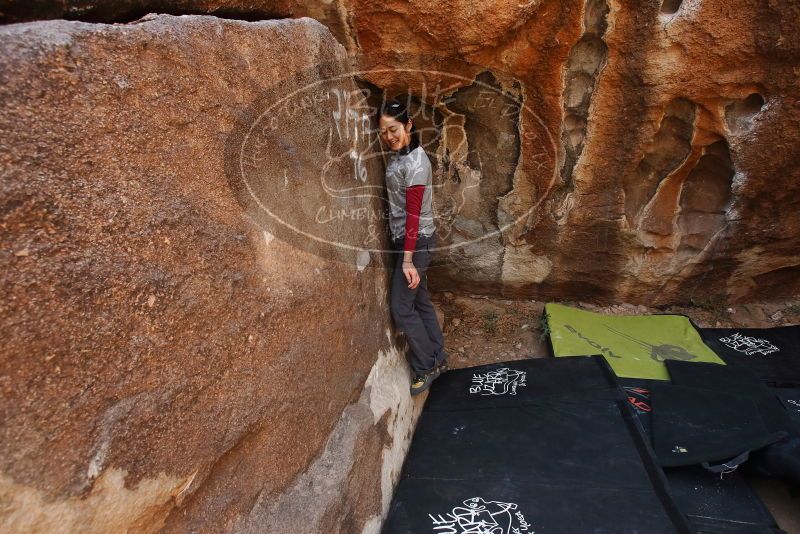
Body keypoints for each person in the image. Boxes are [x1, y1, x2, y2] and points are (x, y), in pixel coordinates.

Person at [378, 98, 448, 396]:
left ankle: (425, 366)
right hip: (409, 240)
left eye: (394, 129)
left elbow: (413, 215)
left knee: (402, 307)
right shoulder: (399, 156)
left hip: (415, 242)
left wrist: (407, 261)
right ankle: (439, 357)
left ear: (408, 125)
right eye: (383, 132)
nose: (389, 136)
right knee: (420, 301)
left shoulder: (417, 165)